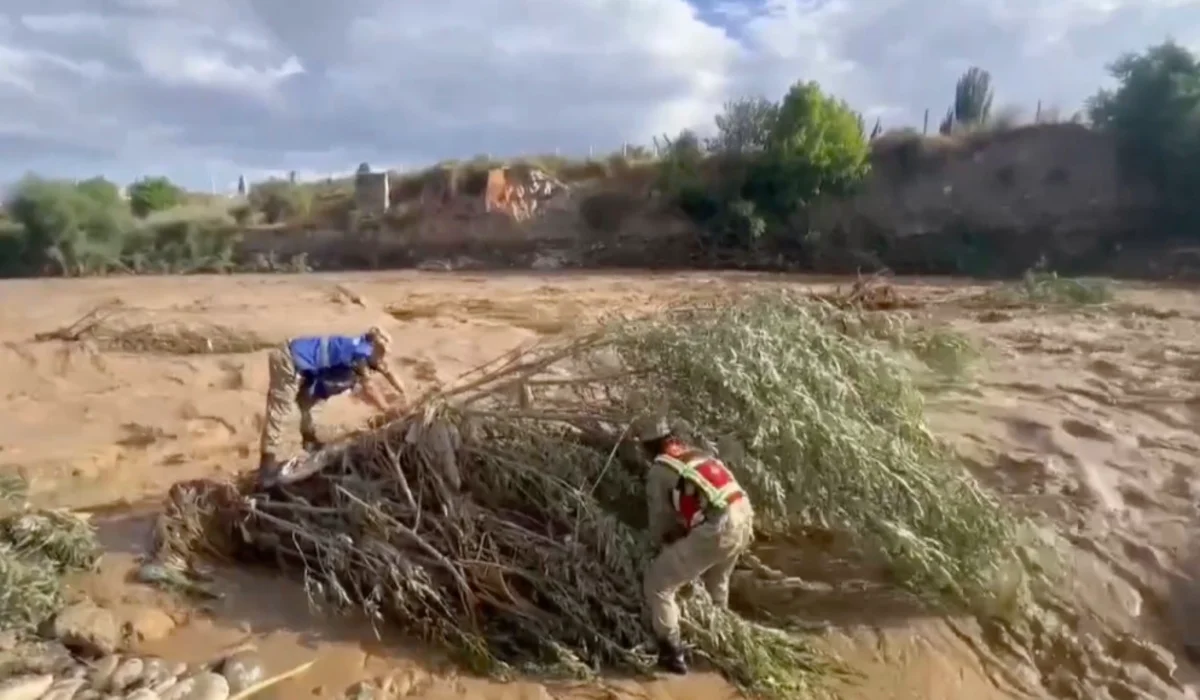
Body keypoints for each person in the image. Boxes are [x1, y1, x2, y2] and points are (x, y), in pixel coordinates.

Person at [633, 415, 755, 675]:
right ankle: (724, 643)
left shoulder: (660, 470)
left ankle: (672, 653)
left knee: (659, 585)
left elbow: (660, 521)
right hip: (743, 515)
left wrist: (661, 546)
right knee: (717, 582)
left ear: (647, 447)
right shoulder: (696, 453)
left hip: (718, 528)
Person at [258, 326, 407, 477]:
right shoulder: (358, 354)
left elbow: (389, 373)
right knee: (280, 409)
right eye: (382, 353)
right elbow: (369, 388)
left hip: (310, 369)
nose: (384, 358)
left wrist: (404, 395)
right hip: (289, 359)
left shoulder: (369, 351)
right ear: (374, 347)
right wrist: (387, 411)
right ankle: (267, 465)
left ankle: (310, 442)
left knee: (309, 403)